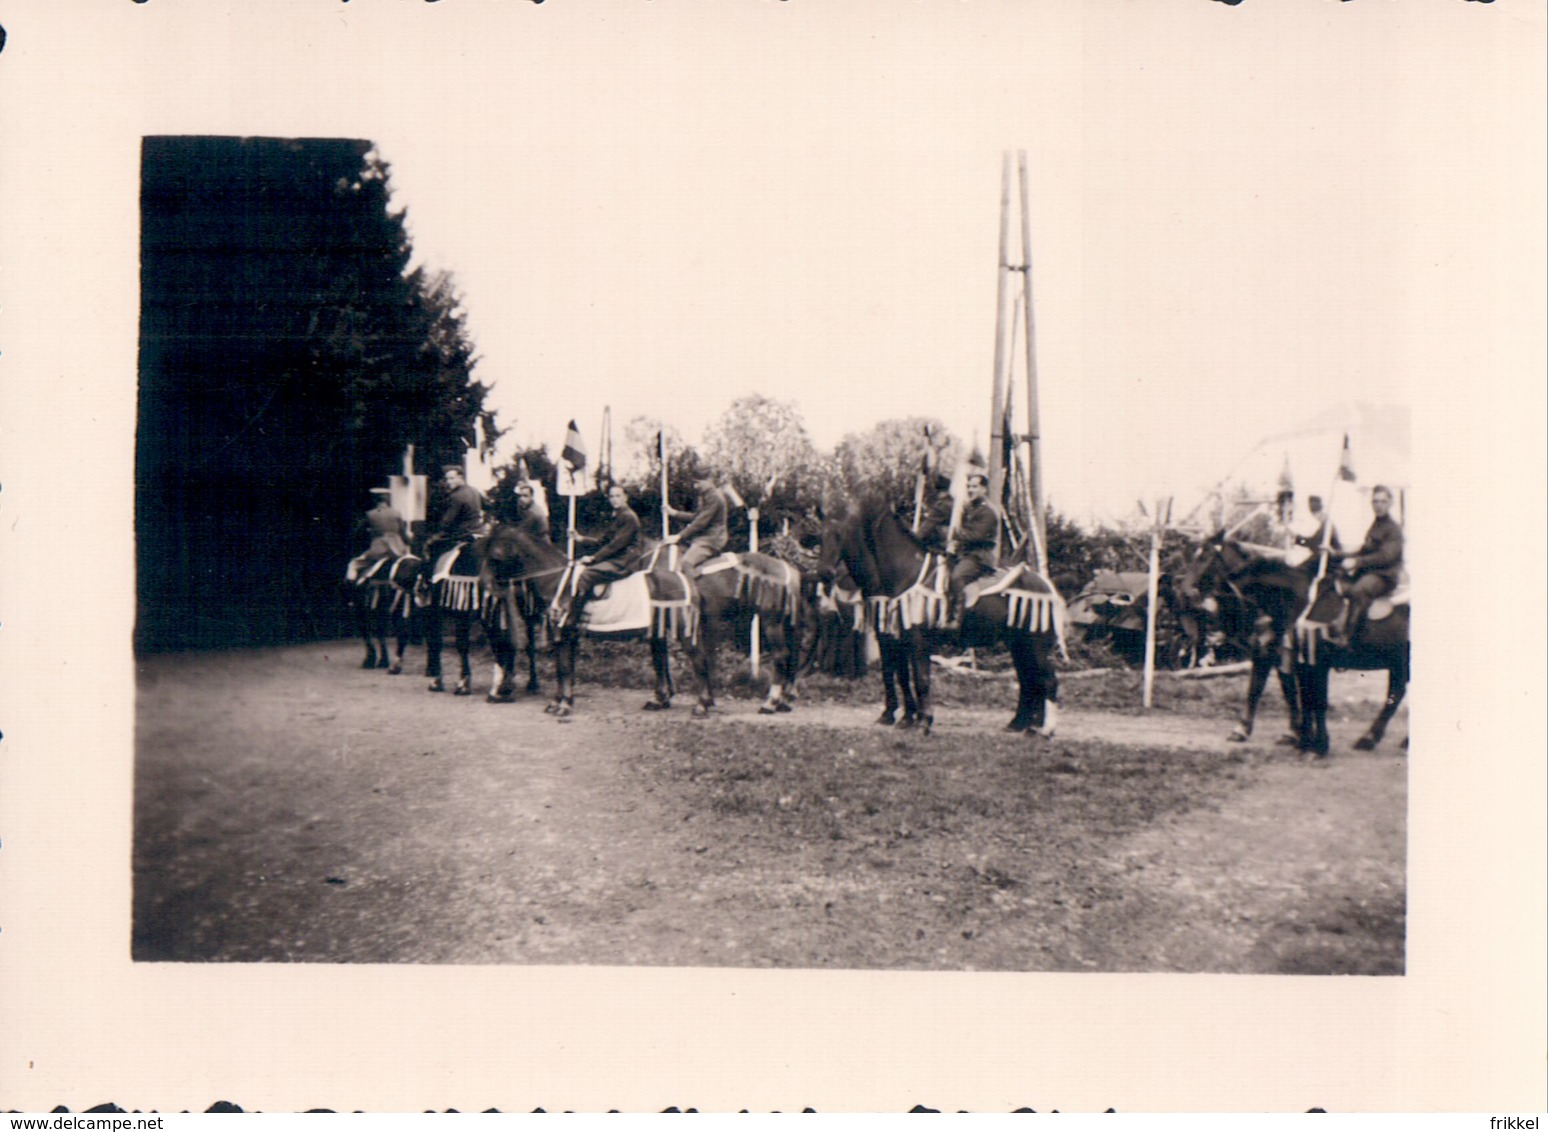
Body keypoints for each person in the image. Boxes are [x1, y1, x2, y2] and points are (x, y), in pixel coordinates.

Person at [1329, 484, 1403, 646]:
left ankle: (1350, 638)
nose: (1379, 505)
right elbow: (1364, 550)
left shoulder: (1393, 529)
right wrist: (1338, 554)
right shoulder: (1375, 525)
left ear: (1390, 503)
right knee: (1336, 583)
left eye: (1383, 501)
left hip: (1384, 576)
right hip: (1369, 573)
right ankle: (1334, 626)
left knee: (1359, 590)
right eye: (1375, 501)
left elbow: (1386, 556)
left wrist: (1357, 562)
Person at [561, 483, 645, 620]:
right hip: (617, 557)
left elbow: (616, 545)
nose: (614, 499)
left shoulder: (629, 517)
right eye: (611, 496)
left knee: (586, 574)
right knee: (578, 568)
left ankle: (573, 618)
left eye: (618, 496)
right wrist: (580, 538)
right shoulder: (618, 515)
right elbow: (603, 541)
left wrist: (593, 558)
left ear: (625, 498)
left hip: (625, 561)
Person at [943, 471, 1000, 631]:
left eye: (974, 486)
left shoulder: (988, 512)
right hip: (964, 555)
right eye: (968, 486)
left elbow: (975, 536)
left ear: (984, 489)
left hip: (979, 558)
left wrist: (952, 532)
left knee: (957, 577)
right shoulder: (970, 508)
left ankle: (956, 619)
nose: (970, 490)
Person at [663, 474, 728, 573]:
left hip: (710, 539)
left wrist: (680, 536)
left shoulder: (714, 497)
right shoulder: (706, 495)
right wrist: (674, 513)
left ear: (708, 480)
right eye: (695, 482)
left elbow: (701, 521)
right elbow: (697, 517)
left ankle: (691, 588)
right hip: (703, 538)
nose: (695, 486)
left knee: (686, 564)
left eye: (698, 482)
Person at [346, 487, 410, 579]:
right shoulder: (396, 513)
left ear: (374, 499)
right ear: (387, 498)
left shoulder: (370, 514)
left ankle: (350, 586)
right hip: (398, 550)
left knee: (353, 564)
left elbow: (358, 532)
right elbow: (404, 535)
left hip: (379, 549)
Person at [424, 465, 483, 559]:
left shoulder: (456, 496)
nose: (448, 482)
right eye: (447, 479)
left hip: (461, 534)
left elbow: (447, 522)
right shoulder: (474, 491)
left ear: (461, 477)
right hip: (478, 531)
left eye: (452, 478)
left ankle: (433, 572)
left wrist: (434, 537)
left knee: (431, 547)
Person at [914, 473, 955, 555]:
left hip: (942, 544)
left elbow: (927, 526)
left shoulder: (942, 506)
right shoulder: (952, 502)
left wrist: (914, 539)